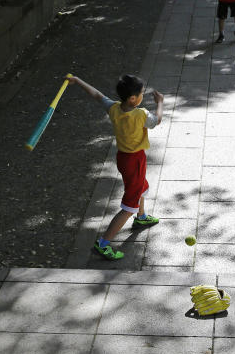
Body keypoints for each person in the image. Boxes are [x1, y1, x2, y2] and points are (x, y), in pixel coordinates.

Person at [68, 74, 164, 260]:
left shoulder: (113, 108)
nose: (143, 96)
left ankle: (141, 218)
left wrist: (78, 80)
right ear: (133, 98)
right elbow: (157, 120)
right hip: (134, 161)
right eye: (142, 93)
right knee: (129, 205)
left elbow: (96, 94)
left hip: (124, 158)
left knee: (140, 186)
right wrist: (160, 102)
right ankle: (103, 244)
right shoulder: (141, 114)